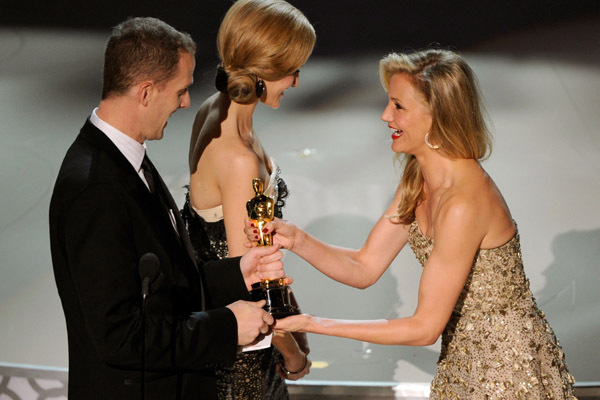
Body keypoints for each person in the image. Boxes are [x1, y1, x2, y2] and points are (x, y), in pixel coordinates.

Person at [247, 49, 578, 399]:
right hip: (462, 364)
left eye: (398, 106)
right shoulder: (419, 179)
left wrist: (313, 323)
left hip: (507, 376)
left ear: (438, 114)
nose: (386, 115)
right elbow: (364, 266)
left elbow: (424, 329)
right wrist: (296, 238)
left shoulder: (463, 203)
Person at [49, 17, 286, 400]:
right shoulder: (94, 188)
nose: (186, 102)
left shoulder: (126, 159)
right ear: (145, 92)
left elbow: (165, 286)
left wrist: (237, 272)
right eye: (180, 90)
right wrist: (226, 326)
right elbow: (120, 336)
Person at [180, 0, 315, 398]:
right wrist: (293, 355)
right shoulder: (238, 159)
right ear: (266, 70)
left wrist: (293, 315)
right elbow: (249, 286)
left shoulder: (213, 111)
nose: (295, 82)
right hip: (244, 360)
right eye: (292, 71)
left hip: (237, 333)